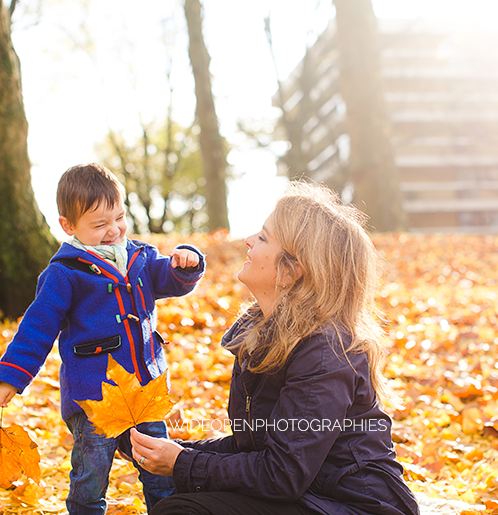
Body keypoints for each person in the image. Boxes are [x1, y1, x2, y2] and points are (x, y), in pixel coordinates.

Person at [129, 181, 419, 515]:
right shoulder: (266, 336)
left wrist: (182, 462)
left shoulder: (325, 351)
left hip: (356, 506)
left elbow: (282, 473)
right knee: (182, 505)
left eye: (264, 238)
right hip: (310, 496)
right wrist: (171, 451)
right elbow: (253, 447)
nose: (249, 240)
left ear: (292, 270)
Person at [0, 163, 205, 515]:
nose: (113, 230)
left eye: (119, 218)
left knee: (159, 470)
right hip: (94, 396)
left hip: (144, 389)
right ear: (68, 226)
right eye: (99, 224)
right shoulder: (65, 273)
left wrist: (186, 263)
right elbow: (37, 326)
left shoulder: (139, 256)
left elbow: (169, 278)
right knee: (91, 478)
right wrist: (13, 376)